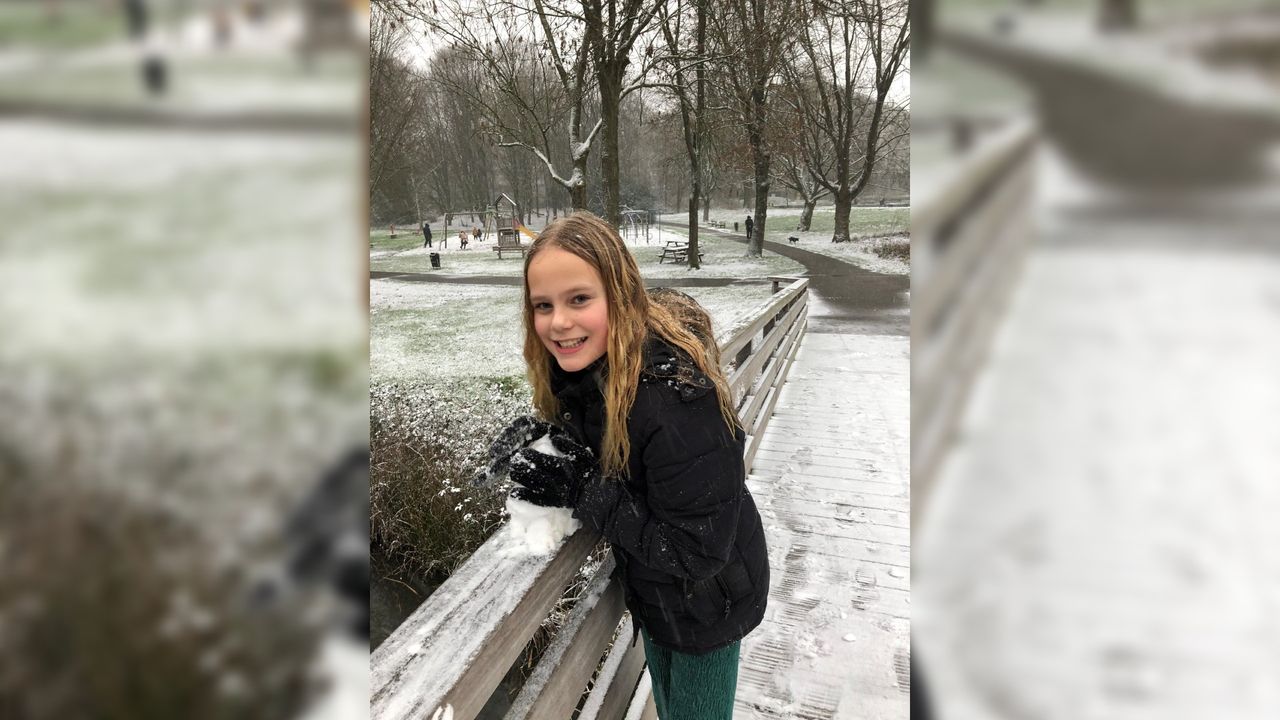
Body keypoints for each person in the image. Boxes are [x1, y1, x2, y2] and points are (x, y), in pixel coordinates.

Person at [479, 212, 769, 720]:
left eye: (579, 299)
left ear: (620, 293)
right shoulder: (594, 374)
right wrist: (548, 442)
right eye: (542, 306)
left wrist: (583, 488)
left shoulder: (673, 401)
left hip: (708, 603)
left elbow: (698, 552)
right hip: (658, 595)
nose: (559, 322)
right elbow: (615, 458)